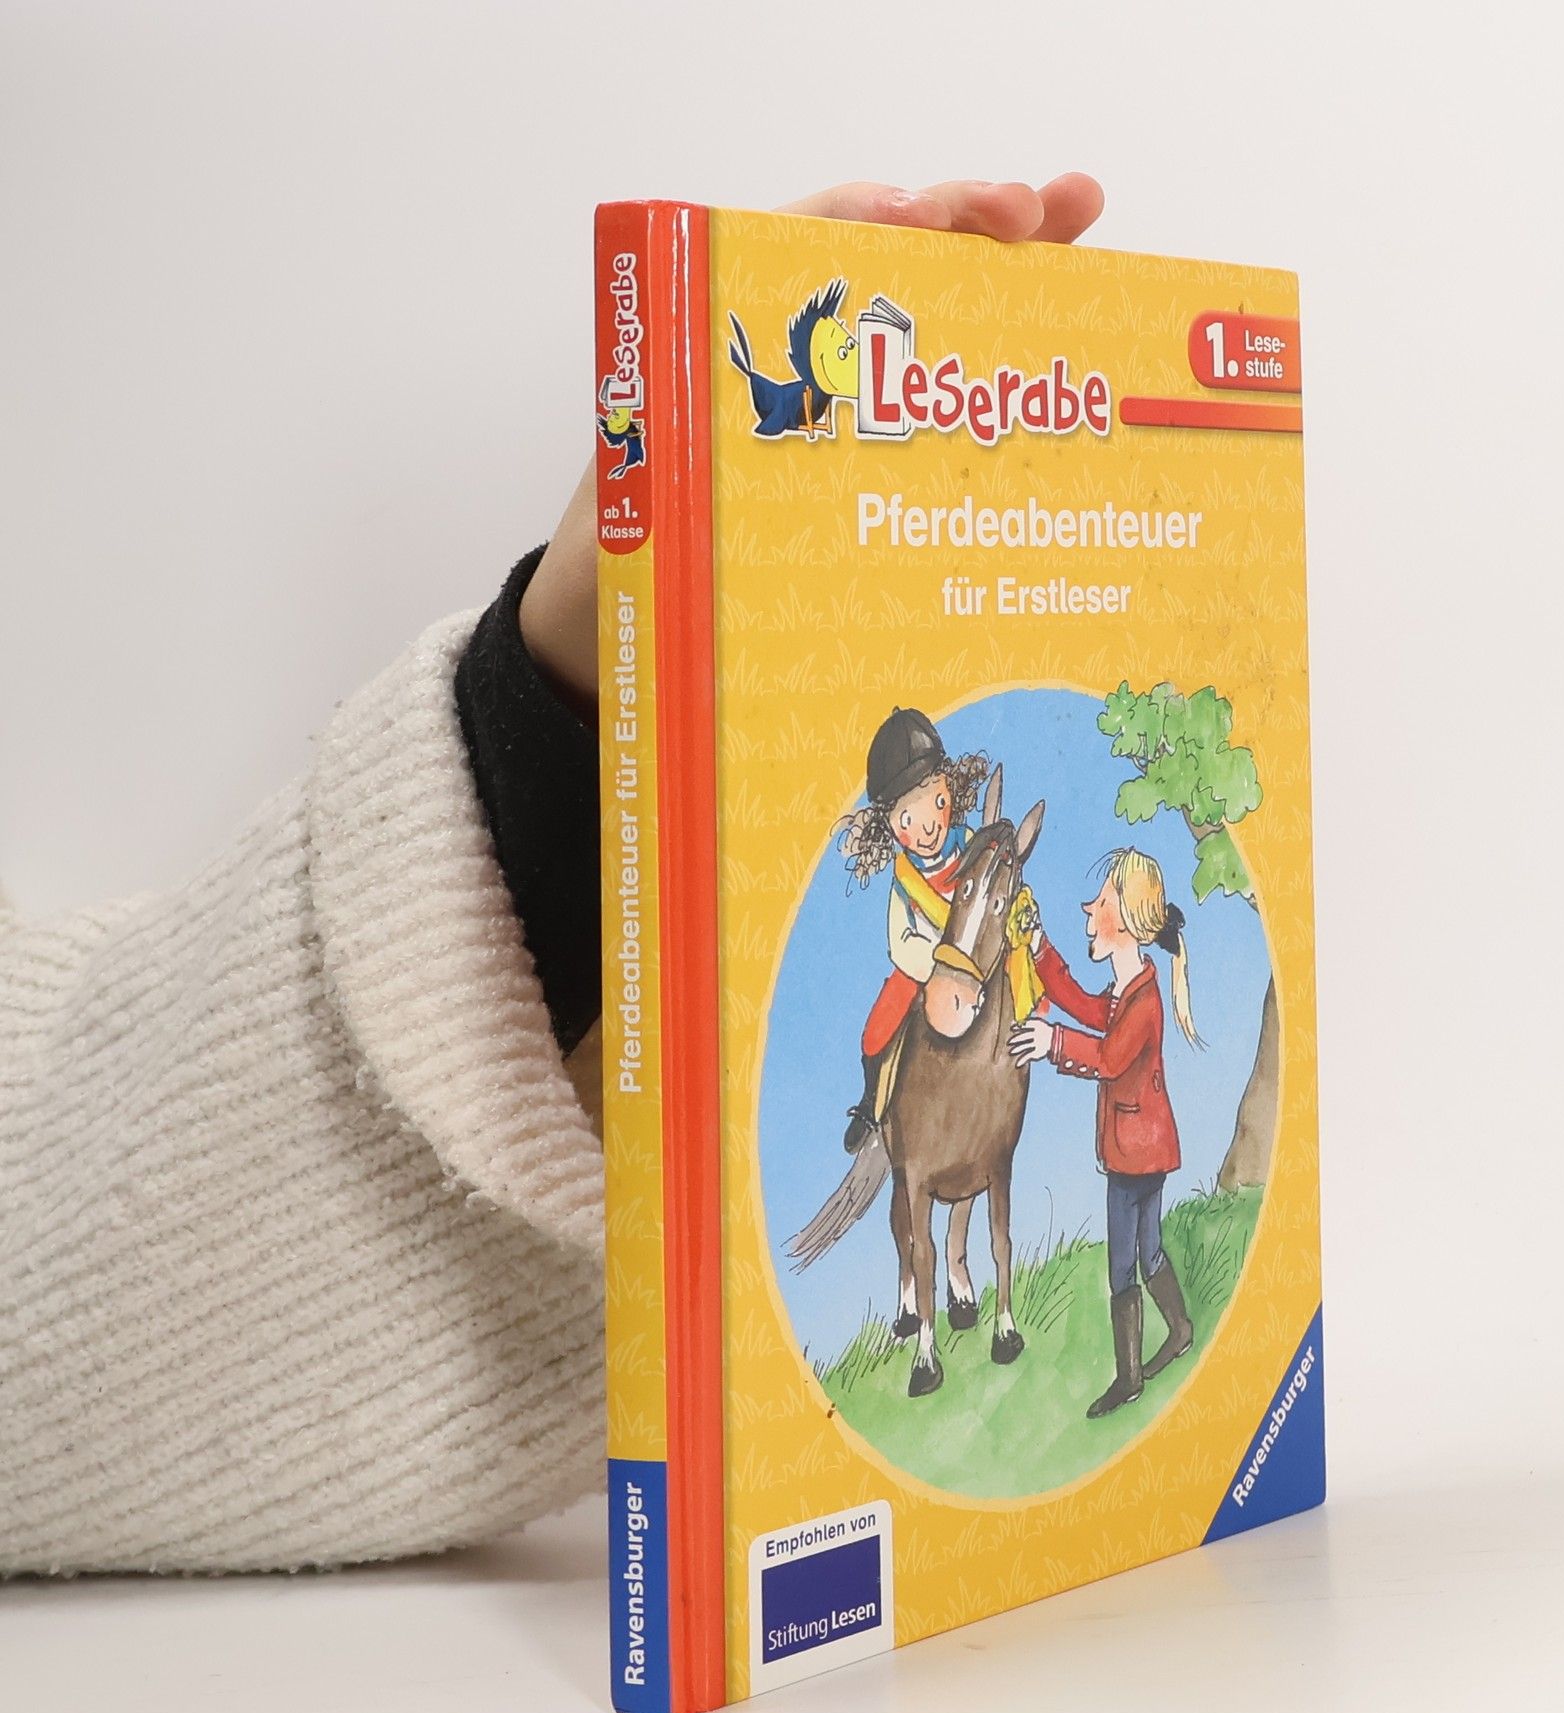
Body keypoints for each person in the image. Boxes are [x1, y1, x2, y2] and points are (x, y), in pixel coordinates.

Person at [0, 174, 1105, 1576]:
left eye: (943, 797)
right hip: (903, 969)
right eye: (925, 803)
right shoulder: (906, 869)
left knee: (1005, 1002)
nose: (937, 813)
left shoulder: (968, 842)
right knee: (894, 1031)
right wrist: (554, 732)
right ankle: (871, 1117)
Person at [1010, 848, 1200, 1418]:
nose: (1090, 914)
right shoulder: (1127, 991)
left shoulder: (1144, 1001)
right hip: (1147, 1149)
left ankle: (1129, 1379)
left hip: (1134, 1154)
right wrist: (1040, 948)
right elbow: (1084, 1006)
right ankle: (1181, 1329)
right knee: (1150, 1249)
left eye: (1102, 905)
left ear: (1130, 921)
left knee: (1123, 1265)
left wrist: (1052, 1043)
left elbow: (1111, 1057)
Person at [833, 708, 990, 1150]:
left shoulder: (973, 847)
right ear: (889, 825)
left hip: (977, 960)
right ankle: (871, 1103)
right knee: (875, 1032)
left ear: (950, 790)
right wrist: (935, 964)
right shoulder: (905, 880)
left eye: (936, 803)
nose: (926, 828)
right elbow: (901, 943)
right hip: (925, 969)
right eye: (907, 820)